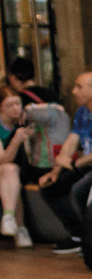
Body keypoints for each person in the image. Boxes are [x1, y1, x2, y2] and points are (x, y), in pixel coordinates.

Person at [37, 72, 92, 254]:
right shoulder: (82, 112)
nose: (73, 91)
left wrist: (75, 163)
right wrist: (56, 170)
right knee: (50, 188)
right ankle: (78, 235)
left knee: (80, 189)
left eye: (79, 87)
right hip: (85, 163)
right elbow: (72, 141)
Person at [0, 91, 37, 247]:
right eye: (10, 105)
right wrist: (16, 140)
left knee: (12, 175)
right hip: (4, 167)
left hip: (20, 170)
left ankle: (10, 220)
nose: (16, 108)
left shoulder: (26, 122)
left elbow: (31, 158)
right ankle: (19, 226)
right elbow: (2, 159)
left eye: (18, 104)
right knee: (9, 169)